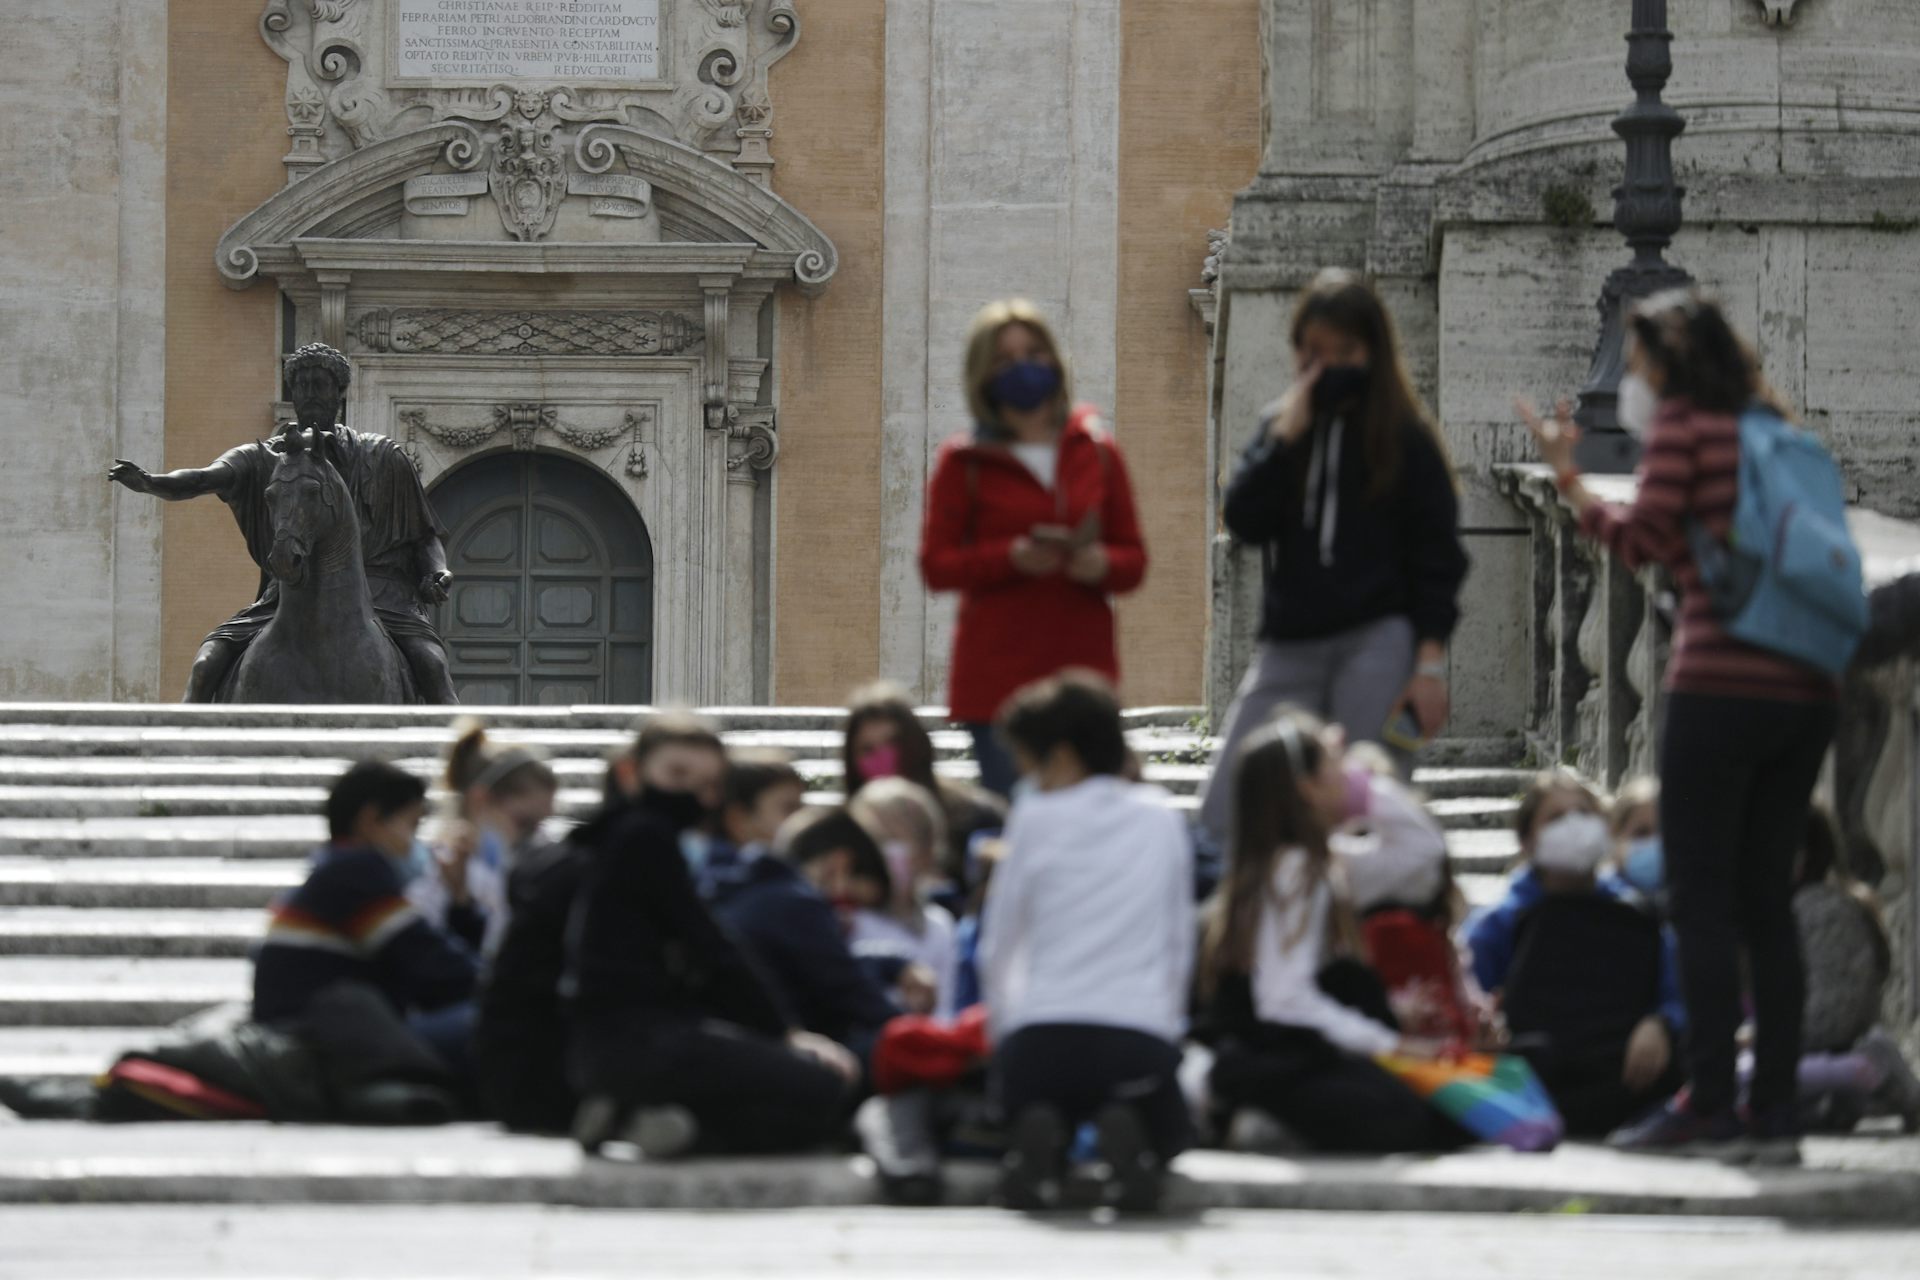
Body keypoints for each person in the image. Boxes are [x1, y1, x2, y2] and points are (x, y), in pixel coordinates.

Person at [1520, 289, 1840, 1158]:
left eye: (1637, 367)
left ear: (1663, 367)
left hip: (1721, 688)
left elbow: (1645, 541)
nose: (1631, 384)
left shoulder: (1684, 430)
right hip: (1805, 690)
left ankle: (1708, 1103)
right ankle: (1774, 1112)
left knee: (1699, 902)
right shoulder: (1776, 434)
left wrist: (1572, 480)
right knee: (1767, 903)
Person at [1197, 270, 1468, 845]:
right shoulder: (1280, 427)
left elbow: (1438, 558)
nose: (1329, 365)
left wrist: (1428, 667)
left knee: (1369, 806)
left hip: (1379, 640)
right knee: (1226, 812)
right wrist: (1282, 441)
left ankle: (1366, 929)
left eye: (1345, 351)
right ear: (1297, 350)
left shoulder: (1405, 437)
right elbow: (1243, 519)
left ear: (1372, 352)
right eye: (1315, 351)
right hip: (1289, 645)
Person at [562, 713, 859, 1157]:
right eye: (677, 775)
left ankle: (643, 1116)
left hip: (608, 1046)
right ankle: (656, 1122)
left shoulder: (610, 837)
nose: (693, 796)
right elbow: (714, 949)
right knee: (820, 1089)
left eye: (707, 785)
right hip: (639, 1043)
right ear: (633, 772)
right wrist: (787, 1034)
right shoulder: (645, 837)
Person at [107, 343, 457, 703]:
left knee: (432, 667)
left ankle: (456, 751)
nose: (309, 394)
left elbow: (424, 536)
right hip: (287, 595)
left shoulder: (383, 456)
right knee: (206, 664)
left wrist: (437, 571)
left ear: (339, 392)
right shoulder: (263, 458)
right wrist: (151, 482)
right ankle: (183, 747)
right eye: (301, 385)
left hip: (384, 596)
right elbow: (201, 478)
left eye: (318, 384)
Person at [1199, 710, 1466, 1156]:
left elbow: (1422, 851)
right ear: (1306, 787)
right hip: (1271, 1053)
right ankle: (1252, 1116)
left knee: (1436, 1108)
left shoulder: (1322, 861)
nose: (1351, 773)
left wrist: (1361, 790)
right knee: (1411, 1118)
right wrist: (1393, 1046)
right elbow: (1284, 999)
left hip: (1300, 1046)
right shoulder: (1294, 869)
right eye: (1336, 764)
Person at [981, 673, 1194, 1213]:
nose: (1026, 779)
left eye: (1031, 764)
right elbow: (1178, 945)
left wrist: (1005, 1035)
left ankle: (1042, 1138)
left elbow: (1000, 944)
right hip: (1135, 1041)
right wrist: (1167, 1032)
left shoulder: (1033, 817)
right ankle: (1132, 1137)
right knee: (1168, 1127)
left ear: (1065, 756)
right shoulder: (1161, 818)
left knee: (1026, 1100)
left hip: (1042, 1037)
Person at [919, 301, 1149, 799]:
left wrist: (1101, 564)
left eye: (1033, 352)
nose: (1023, 366)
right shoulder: (963, 463)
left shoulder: (1098, 452)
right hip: (999, 683)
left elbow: (1133, 561)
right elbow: (936, 567)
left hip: (1083, 678)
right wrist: (1009, 559)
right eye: (1005, 359)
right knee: (1019, 829)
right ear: (983, 373)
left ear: (1054, 361)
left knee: (1093, 832)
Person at [1475, 787, 1686, 1137]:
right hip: (1536, 1075)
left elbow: (1677, 992)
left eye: (1584, 814)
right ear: (1527, 840)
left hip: (1623, 1073)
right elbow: (1471, 997)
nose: (1574, 826)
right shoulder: (1497, 924)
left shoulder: (1637, 915)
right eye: (1556, 818)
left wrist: (1660, 1024)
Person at [253, 762, 479, 1081]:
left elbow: (435, 973)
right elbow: (438, 967)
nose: (417, 845)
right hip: (320, 1042)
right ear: (372, 819)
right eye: (412, 826)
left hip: (329, 1032)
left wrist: (459, 899)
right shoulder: (355, 872)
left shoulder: (337, 867)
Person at [703, 805, 901, 1064]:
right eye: (848, 902)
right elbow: (855, 994)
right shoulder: (798, 903)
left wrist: (896, 966)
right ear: (838, 866)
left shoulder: (751, 893)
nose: (845, 918)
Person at [413, 720, 558, 958]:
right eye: (524, 824)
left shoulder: (534, 876)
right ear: (481, 801)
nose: (538, 838)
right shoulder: (432, 876)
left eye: (541, 826)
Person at [842, 683, 1005, 885]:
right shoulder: (843, 836)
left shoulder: (975, 817)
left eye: (892, 742)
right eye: (867, 750)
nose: (883, 757)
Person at [848, 778, 961, 1020]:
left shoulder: (939, 925)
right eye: (873, 842)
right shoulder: (848, 921)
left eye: (893, 840)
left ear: (926, 852)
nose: (881, 855)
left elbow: (946, 1008)